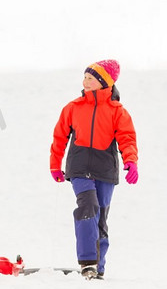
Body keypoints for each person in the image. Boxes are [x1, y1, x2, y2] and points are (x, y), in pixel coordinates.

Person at [49, 60, 138, 280]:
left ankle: (98, 267)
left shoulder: (118, 111)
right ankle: (88, 262)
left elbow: (127, 138)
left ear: (103, 82)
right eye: (85, 77)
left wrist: (131, 160)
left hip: (105, 169)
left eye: (91, 78)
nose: (85, 81)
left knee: (100, 217)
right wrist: (55, 164)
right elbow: (59, 137)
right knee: (88, 206)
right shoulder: (73, 107)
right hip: (78, 168)